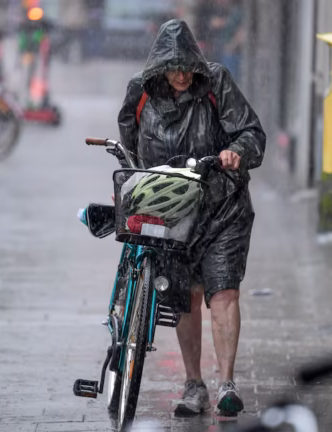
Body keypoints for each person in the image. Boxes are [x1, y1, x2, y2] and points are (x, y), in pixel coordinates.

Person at [117, 19, 265, 416]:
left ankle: (226, 383)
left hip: (222, 208)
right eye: (173, 69)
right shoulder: (140, 92)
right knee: (186, 297)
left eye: (187, 68)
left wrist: (236, 152)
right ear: (159, 69)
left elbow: (252, 133)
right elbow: (129, 144)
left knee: (224, 291)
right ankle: (193, 383)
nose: (182, 76)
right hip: (171, 212)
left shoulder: (216, 83)